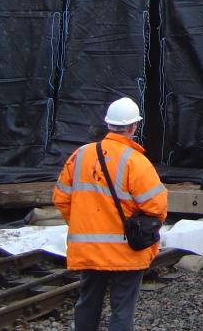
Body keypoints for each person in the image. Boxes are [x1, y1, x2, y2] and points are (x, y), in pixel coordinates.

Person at [53, 97, 167, 331]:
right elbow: (156, 208)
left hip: (89, 249)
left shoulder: (80, 155)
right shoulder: (136, 162)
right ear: (133, 127)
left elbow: (61, 198)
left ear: (108, 125)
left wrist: (84, 225)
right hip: (126, 251)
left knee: (87, 304)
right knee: (122, 310)